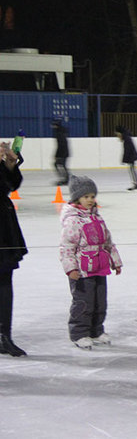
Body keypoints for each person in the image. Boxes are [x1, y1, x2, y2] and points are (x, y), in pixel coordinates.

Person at [59, 175, 123, 350]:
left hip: (100, 267)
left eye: (92, 196)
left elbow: (108, 242)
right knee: (83, 302)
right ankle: (79, 333)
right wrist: (70, 268)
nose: (90, 200)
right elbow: (66, 247)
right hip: (82, 270)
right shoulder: (73, 220)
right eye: (86, 196)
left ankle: (96, 330)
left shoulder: (97, 217)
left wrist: (115, 261)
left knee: (100, 302)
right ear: (77, 198)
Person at [0, 141, 28, 357]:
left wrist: (10, 164)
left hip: (3, 228)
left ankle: (4, 336)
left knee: (4, 282)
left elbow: (9, 185)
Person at [115, 126, 137, 191]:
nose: (117, 136)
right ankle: (135, 183)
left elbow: (127, 150)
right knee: (132, 170)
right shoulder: (126, 138)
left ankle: (136, 184)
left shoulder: (127, 139)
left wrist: (124, 159)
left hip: (132, 157)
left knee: (132, 170)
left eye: (117, 134)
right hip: (132, 156)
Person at [52, 118, 70, 186]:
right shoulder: (62, 132)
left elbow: (60, 145)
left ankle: (65, 179)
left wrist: (57, 155)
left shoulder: (59, 134)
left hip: (63, 152)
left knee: (58, 165)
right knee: (63, 166)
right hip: (65, 152)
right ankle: (66, 178)